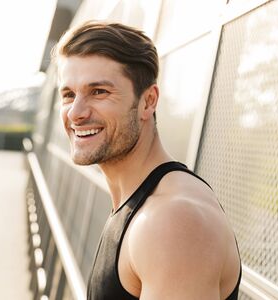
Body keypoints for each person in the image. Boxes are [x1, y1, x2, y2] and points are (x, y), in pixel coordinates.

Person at [53, 21, 242, 300]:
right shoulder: (141, 204)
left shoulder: (172, 222)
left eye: (99, 92)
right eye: (69, 95)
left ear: (148, 101)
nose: (76, 113)